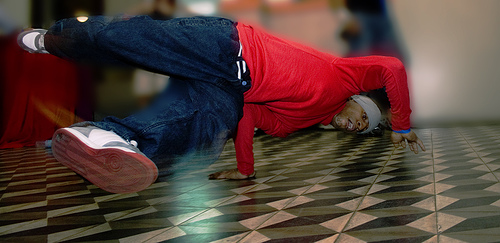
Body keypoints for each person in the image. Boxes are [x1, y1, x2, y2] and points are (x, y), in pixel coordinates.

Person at [17, 15, 425, 194]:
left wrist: (246, 170)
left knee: (213, 117)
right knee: (132, 42)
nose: (356, 126)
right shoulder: (345, 75)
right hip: (230, 45)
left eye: (362, 130)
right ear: (357, 102)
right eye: (363, 117)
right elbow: (391, 67)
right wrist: (400, 123)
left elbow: (246, 117)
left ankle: (113, 137)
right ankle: (57, 38)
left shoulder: (291, 125)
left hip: (230, 85)